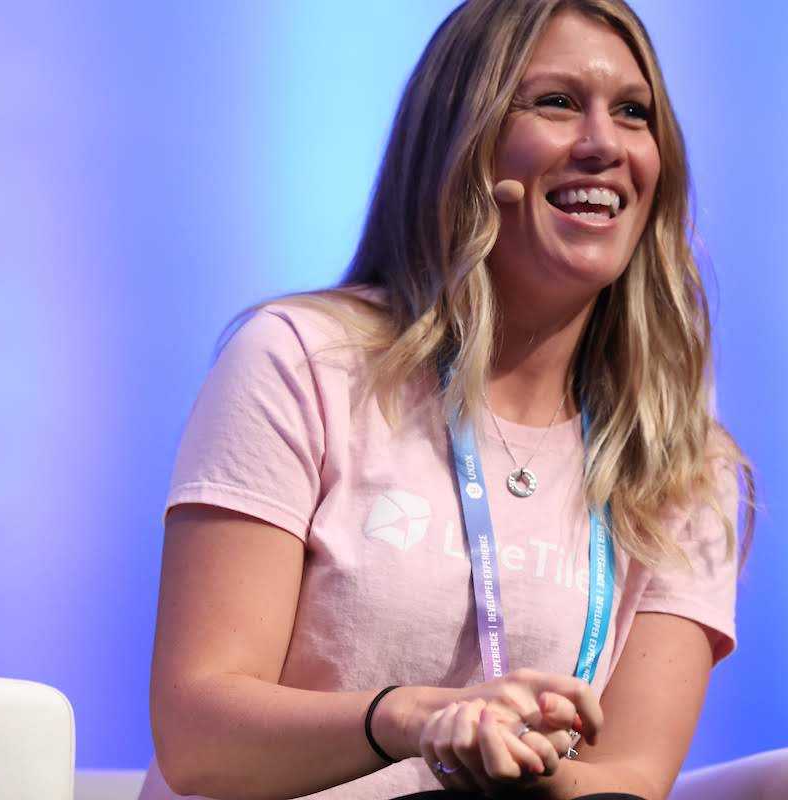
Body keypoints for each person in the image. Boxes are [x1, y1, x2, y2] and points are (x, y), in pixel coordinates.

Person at [139, 0, 756, 798]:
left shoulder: (683, 461)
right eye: (557, 102)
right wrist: (416, 722)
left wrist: (509, 764)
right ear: (463, 139)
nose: (605, 144)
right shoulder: (303, 361)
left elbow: (629, 777)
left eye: (633, 113)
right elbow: (198, 736)